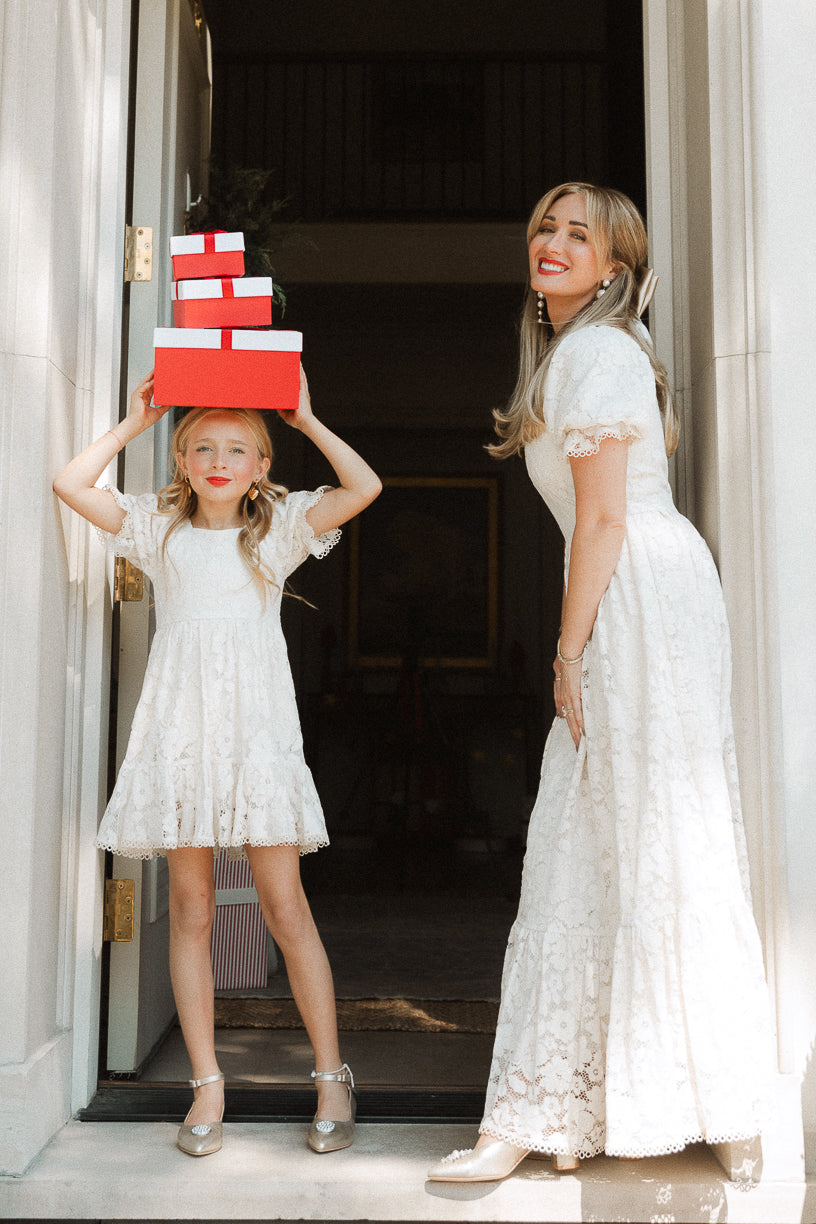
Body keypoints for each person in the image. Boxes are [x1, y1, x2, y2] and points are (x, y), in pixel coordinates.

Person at [427, 182, 774, 1182]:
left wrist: (566, 652)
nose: (555, 242)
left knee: (658, 835)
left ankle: (711, 1099)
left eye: (581, 234)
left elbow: (607, 523)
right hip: (641, 594)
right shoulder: (575, 359)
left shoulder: (601, 355)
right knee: (596, 843)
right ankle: (554, 1108)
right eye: (546, 225)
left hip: (638, 600)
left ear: (614, 268)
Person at [54, 367, 381, 1157]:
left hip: (256, 739)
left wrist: (304, 418)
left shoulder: (277, 530)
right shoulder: (155, 529)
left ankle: (332, 1075)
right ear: (184, 461)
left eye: (239, 448)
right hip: (185, 739)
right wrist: (134, 423)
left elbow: (363, 484)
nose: (221, 459)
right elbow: (69, 482)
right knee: (193, 910)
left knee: (285, 908)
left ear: (262, 465)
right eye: (203, 446)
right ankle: (207, 1083)